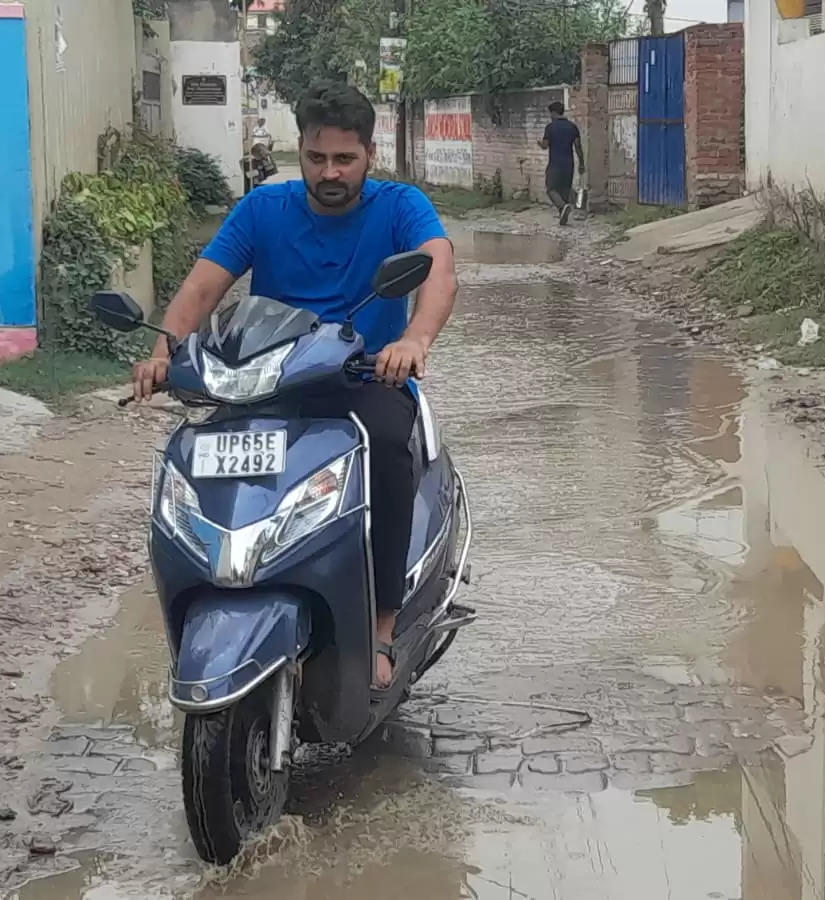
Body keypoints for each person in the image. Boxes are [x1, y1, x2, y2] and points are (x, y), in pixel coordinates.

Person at [132, 81, 457, 691]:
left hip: (362, 378)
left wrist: (414, 340)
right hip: (266, 379)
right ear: (300, 152)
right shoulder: (263, 209)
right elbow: (204, 286)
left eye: (344, 159)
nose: (329, 172)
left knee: (387, 448)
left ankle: (382, 622)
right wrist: (161, 352)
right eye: (316, 158)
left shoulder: (400, 206)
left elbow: (438, 269)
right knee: (199, 454)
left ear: (369, 154)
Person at [537, 101, 585, 226]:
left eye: (550, 114)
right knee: (564, 190)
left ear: (553, 113)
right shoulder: (572, 127)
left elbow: (545, 145)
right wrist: (581, 163)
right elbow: (578, 147)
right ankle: (563, 216)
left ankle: (563, 206)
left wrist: (540, 144)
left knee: (551, 188)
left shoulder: (550, 127)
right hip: (569, 164)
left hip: (555, 164)